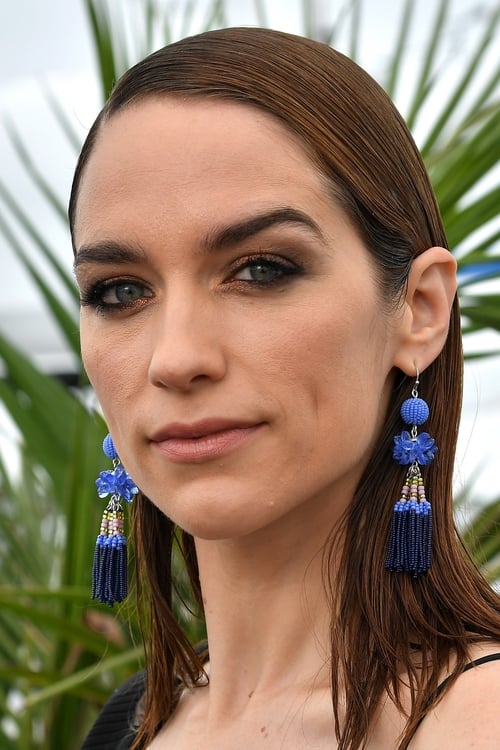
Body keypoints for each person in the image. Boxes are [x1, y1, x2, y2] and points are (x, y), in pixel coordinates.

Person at [70, 26, 500, 750]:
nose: (176, 358)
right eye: (120, 291)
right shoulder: (128, 725)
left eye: (261, 269)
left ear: (420, 310)